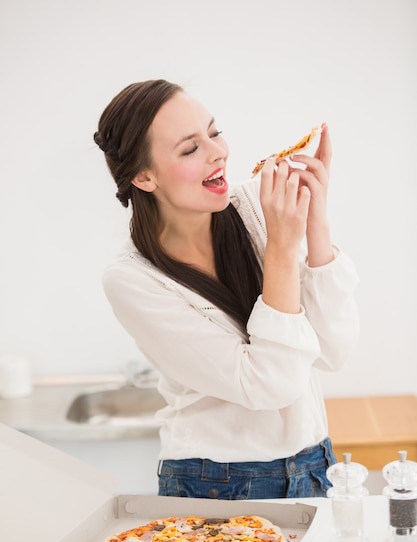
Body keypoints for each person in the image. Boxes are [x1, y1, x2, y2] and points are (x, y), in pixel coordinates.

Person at [94, 79, 359, 500]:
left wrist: (315, 220)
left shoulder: (257, 208)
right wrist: (283, 246)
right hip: (213, 483)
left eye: (213, 132)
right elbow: (270, 385)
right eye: (189, 148)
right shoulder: (132, 279)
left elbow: (332, 349)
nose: (218, 152)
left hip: (314, 464)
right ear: (144, 177)